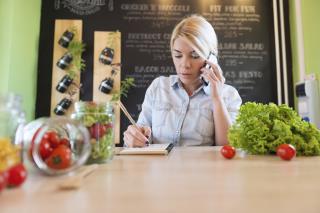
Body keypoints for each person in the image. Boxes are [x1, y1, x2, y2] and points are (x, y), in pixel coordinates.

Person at [123, 14, 242, 147]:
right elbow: (143, 135)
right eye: (178, 55)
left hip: (203, 168)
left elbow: (228, 148)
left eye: (195, 55)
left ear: (211, 58)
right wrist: (135, 137)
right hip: (160, 167)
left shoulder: (229, 95)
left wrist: (217, 98)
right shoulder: (158, 87)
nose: (184, 64)